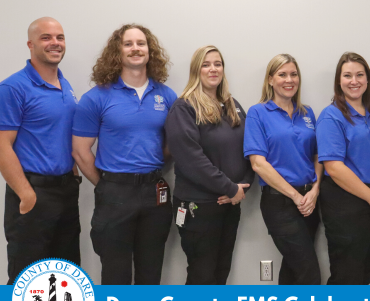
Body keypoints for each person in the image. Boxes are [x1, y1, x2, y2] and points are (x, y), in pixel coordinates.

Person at [72, 24, 177, 285]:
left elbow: (173, 144)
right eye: (128, 44)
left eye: (141, 43)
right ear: (117, 51)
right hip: (115, 193)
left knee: (150, 274)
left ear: (150, 51)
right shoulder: (97, 97)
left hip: (155, 193)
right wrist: (106, 184)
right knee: (115, 275)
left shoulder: (166, 96)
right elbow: (80, 150)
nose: (135, 49)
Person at [0, 17, 81, 285]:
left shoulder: (65, 86)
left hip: (66, 193)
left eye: (59, 37)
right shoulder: (13, 87)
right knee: (28, 282)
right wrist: (26, 194)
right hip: (34, 194)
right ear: (30, 44)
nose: (55, 43)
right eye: (46, 37)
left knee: (64, 279)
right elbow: (2, 145)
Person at [165, 45, 254, 285]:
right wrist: (230, 187)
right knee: (202, 276)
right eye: (206, 64)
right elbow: (192, 159)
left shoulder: (232, 106)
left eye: (217, 64)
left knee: (220, 272)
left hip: (230, 204)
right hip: (199, 207)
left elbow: (251, 150)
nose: (213, 69)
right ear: (196, 70)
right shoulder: (184, 107)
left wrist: (241, 188)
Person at [316, 52, 370, 285]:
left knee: (367, 272)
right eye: (347, 75)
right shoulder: (331, 116)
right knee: (347, 275)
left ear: (368, 79)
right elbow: (333, 167)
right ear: (338, 81)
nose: (354, 81)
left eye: (359, 75)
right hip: (347, 201)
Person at [244, 54, 322, 285]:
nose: (289, 80)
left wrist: (315, 190)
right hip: (280, 203)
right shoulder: (258, 113)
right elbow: (258, 163)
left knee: (293, 270)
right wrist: (296, 196)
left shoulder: (307, 113)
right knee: (309, 274)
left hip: (310, 201)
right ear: (270, 79)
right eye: (282, 74)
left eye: (294, 74)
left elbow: (318, 155)